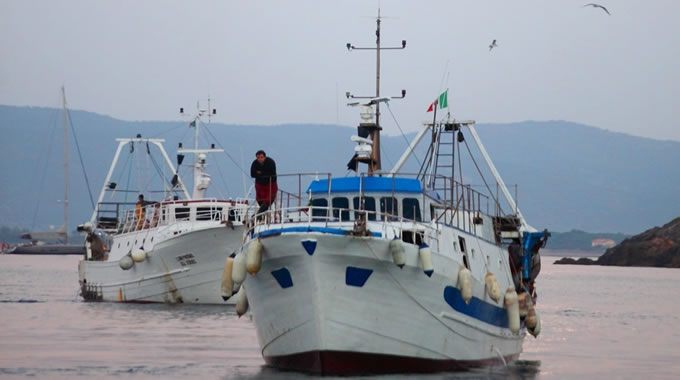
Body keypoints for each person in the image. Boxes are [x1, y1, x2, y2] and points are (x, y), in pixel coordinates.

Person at [250, 150, 277, 214]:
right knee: (260, 200)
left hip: (270, 184)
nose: (260, 159)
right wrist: (263, 174)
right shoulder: (255, 163)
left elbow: (272, 173)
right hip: (260, 185)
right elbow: (252, 174)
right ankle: (261, 216)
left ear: (265, 157)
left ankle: (258, 215)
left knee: (268, 199)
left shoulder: (270, 162)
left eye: (261, 157)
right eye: (258, 158)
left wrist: (260, 173)